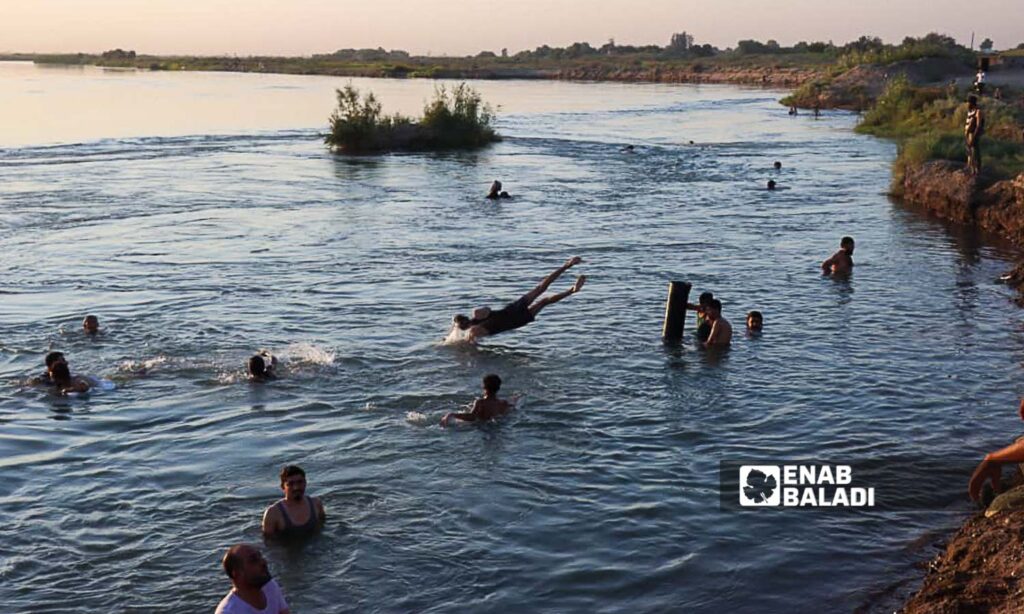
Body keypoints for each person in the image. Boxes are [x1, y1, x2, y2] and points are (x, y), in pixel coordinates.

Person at [451, 257, 586, 342]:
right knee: (542, 295)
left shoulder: (475, 324)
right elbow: (472, 340)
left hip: (513, 313)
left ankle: (570, 280)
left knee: (542, 294)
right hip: (515, 318)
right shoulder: (474, 330)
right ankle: (570, 280)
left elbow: (485, 313)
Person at [216, 544, 290, 614]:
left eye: (260, 556)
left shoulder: (270, 586)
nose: (263, 562)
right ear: (237, 574)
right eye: (253, 560)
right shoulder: (228, 612)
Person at [261, 465, 326, 539]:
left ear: (305, 483)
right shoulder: (273, 513)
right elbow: (268, 543)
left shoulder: (316, 504)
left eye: (300, 482)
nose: (296, 487)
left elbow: (322, 526)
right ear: (283, 487)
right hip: (289, 549)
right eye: (291, 484)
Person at [441, 373, 514, 426]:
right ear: (498, 388)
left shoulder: (481, 402)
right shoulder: (503, 403)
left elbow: (471, 417)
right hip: (497, 427)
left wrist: (452, 414)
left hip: (481, 427)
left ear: (484, 387)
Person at [965, 95, 984, 176]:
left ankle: (977, 170)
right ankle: (970, 169)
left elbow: (978, 125)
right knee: (970, 152)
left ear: (972, 103)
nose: (967, 104)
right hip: (968, 134)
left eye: (968, 102)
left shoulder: (978, 111)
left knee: (975, 152)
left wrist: (974, 137)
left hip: (973, 134)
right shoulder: (970, 111)